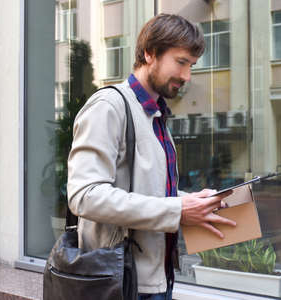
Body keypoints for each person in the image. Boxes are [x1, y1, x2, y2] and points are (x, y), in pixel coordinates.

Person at [66, 14, 235, 300]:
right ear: (150, 53)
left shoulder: (154, 114)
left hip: (155, 279)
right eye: (181, 62)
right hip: (121, 284)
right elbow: (84, 195)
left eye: (191, 66)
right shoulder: (109, 106)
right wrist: (178, 209)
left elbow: (147, 192)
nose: (186, 76)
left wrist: (192, 202)